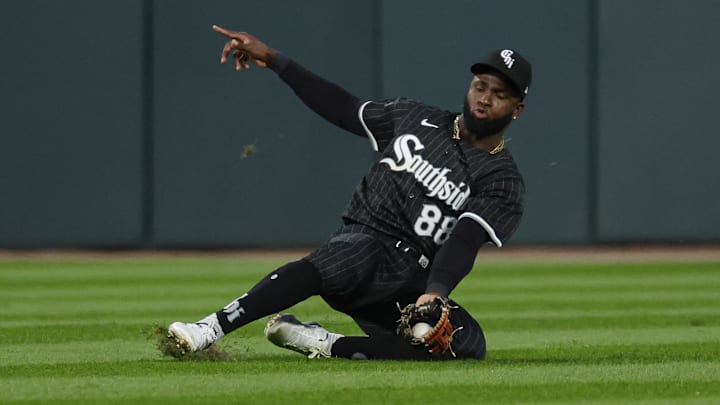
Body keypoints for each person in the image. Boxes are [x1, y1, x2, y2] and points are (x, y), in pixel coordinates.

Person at [167, 25, 532, 360]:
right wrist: (277, 61)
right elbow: (344, 108)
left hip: (408, 281)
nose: (484, 98)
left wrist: (435, 292)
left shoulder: (502, 179)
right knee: (349, 256)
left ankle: (323, 343)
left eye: (498, 94)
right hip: (364, 243)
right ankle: (207, 328)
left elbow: (464, 240)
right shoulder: (414, 118)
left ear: (516, 110)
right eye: (480, 86)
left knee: (465, 344)